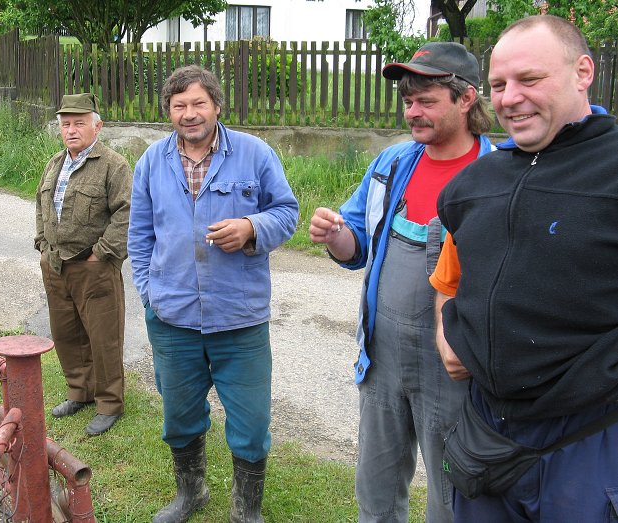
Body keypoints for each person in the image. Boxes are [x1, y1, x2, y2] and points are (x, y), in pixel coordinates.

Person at [430, 15, 618, 522]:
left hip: (590, 440)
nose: (510, 98)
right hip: (486, 432)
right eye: (498, 85)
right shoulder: (473, 185)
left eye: (529, 79)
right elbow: (449, 279)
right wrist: (447, 334)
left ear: (583, 72)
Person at [309, 42, 495, 522]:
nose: (412, 112)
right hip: (383, 355)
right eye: (408, 101)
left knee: (453, 492)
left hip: (457, 366)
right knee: (376, 484)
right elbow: (356, 247)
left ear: (466, 99)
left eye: (426, 101)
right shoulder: (392, 164)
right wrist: (335, 236)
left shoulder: (497, 175)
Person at [128, 65, 298, 523]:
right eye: (179, 105)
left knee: (251, 423)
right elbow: (139, 235)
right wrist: (148, 294)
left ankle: (246, 511)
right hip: (172, 318)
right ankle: (192, 493)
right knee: (179, 416)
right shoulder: (151, 162)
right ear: (169, 111)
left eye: (198, 103)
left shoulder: (254, 154)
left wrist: (251, 227)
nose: (189, 114)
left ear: (217, 106)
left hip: (239, 318)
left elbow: (287, 212)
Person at [35, 92, 132, 436]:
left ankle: (109, 403)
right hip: (55, 265)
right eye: (65, 124)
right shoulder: (55, 163)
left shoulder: (114, 165)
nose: (71, 130)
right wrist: (42, 244)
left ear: (97, 126)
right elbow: (40, 205)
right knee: (67, 334)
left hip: (94, 267)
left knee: (104, 338)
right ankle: (80, 392)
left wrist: (101, 254)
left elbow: (127, 213)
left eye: (79, 123)